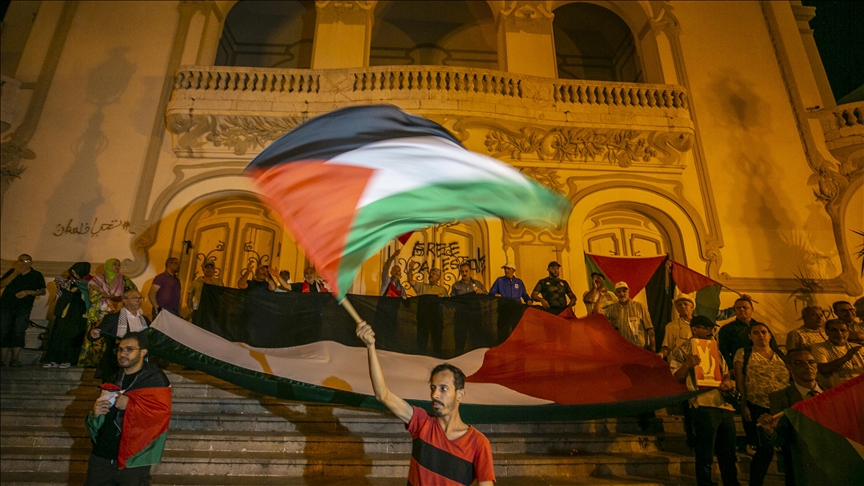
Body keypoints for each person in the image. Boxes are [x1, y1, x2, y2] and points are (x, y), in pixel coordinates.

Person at [355, 320, 495, 485]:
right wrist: (370, 347)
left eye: (443, 389)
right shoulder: (422, 423)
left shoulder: (478, 443)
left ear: (460, 394)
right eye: (433, 388)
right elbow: (383, 395)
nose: (435, 394)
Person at [84, 332, 171, 486]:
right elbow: (97, 422)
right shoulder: (113, 378)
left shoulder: (156, 380)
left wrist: (130, 406)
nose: (122, 354)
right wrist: (94, 415)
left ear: (143, 352)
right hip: (101, 457)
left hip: (133, 460)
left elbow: (160, 417)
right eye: (120, 349)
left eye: (129, 349)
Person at [669, 315, 740, 486]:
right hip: (702, 404)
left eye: (711, 328)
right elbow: (675, 378)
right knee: (705, 451)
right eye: (706, 328)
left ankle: (731, 482)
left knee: (728, 451)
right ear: (694, 329)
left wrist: (726, 381)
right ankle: (705, 482)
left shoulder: (715, 348)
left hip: (723, 404)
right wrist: (687, 365)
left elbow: (725, 372)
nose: (710, 331)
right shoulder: (682, 351)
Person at [757, 349, 824, 486]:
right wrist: (770, 431)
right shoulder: (780, 398)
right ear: (789, 367)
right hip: (802, 467)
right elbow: (780, 439)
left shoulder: (833, 393)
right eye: (799, 363)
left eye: (811, 362)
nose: (808, 366)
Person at [733, 323, 789, 486]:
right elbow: (740, 379)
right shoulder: (743, 353)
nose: (761, 335)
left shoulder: (781, 353)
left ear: (770, 335)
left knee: (787, 450)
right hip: (758, 406)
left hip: (782, 408)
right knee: (765, 450)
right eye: (756, 333)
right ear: (750, 336)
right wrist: (743, 404)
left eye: (764, 332)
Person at [79, 259, 137, 368]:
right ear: (108, 265)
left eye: (118, 265)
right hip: (100, 311)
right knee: (98, 334)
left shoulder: (124, 279)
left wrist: (123, 298)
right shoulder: (97, 279)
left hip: (117, 310)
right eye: (114, 264)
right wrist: (108, 296)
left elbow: (133, 291)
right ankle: (93, 361)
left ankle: (111, 361)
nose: (117, 267)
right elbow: (93, 294)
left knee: (113, 336)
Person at [87, 289, 151, 380]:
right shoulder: (113, 318)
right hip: (116, 363)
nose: (138, 300)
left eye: (140, 298)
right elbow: (98, 332)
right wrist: (93, 335)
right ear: (124, 300)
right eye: (135, 298)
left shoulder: (145, 320)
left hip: (139, 363)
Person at [1, 254, 47, 367]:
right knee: (3, 331)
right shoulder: (12, 272)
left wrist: (28, 292)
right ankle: (2, 359)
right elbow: (2, 284)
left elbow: (42, 291)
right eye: (21, 261)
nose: (24, 263)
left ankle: (15, 358)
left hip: (23, 308)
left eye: (27, 261)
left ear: (31, 262)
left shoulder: (36, 275)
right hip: (6, 306)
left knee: (19, 331)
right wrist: (15, 273)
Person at [43, 262, 92, 368]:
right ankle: (54, 359)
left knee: (71, 336)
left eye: (77, 272)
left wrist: (78, 292)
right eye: (73, 272)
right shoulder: (68, 281)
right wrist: (68, 290)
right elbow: (62, 293)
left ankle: (68, 360)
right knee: (58, 334)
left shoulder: (91, 282)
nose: (75, 275)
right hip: (64, 312)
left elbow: (90, 296)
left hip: (78, 314)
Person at [597, 281, 655, 351]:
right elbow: (597, 314)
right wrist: (600, 296)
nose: (622, 294)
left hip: (639, 349)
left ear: (628, 291)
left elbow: (650, 328)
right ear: (615, 294)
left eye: (624, 291)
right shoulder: (612, 308)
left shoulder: (639, 307)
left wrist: (652, 346)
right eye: (619, 292)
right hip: (621, 349)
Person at [811, 319, 864, 389]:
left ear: (848, 333)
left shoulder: (857, 347)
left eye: (843, 330)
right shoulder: (819, 347)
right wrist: (846, 357)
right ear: (827, 332)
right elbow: (823, 369)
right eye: (834, 330)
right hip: (838, 391)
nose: (839, 333)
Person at [406, 266, 447, 355]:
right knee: (422, 343)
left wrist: (442, 298)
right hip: (423, 319)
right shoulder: (422, 287)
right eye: (430, 273)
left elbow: (448, 304)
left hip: (436, 320)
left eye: (433, 274)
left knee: (437, 343)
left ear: (438, 277)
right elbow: (410, 281)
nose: (431, 275)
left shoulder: (442, 290)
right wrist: (410, 269)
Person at [450, 263, 486, 355]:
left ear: (470, 271)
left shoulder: (478, 284)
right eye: (462, 271)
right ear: (460, 273)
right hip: (461, 316)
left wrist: (481, 293)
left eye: (466, 271)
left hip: (475, 315)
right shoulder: (456, 286)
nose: (464, 273)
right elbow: (452, 300)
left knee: (476, 338)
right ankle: (459, 359)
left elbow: (487, 296)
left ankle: (476, 359)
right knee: (460, 339)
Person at [718, 297, 763, 370]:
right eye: (738, 308)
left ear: (752, 309)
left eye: (745, 307)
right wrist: (730, 368)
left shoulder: (762, 328)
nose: (741, 309)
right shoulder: (726, 329)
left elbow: (772, 347)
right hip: (739, 368)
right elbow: (724, 352)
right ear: (734, 310)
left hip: (762, 365)